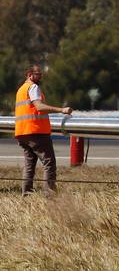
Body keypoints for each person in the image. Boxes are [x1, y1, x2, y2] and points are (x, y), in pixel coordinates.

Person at [14, 64, 73, 196]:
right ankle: (49, 194)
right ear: (30, 75)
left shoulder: (20, 90)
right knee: (49, 162)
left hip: (22, 133)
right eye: (37, 74)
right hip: (36, 132)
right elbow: (39, 107)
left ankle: (26, 193)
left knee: (29, 165)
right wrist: (61, 110)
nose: (41, 76)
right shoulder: (33, 87)